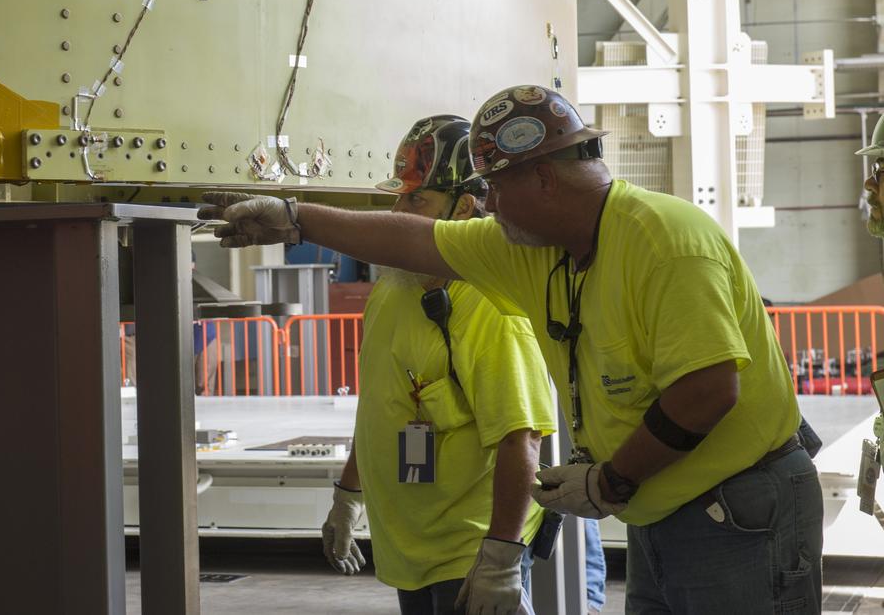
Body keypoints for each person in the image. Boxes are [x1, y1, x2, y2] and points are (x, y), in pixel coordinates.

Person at [202, 84, 822, 613]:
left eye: (495, 188)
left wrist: (609, 481)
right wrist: (294, 217)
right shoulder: (540, 251)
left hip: (739, 511)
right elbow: (416, 240)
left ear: (545, 179)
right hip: (663, 513)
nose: (487, 205)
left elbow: (708, 391)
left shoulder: (665, 240)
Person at [322, 116, 555, 615]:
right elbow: (381, 408)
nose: (397, 213)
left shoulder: (490, 306)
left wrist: (500, 558)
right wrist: (347, 494)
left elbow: (522, 439)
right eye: (398, 198)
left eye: (415, 200)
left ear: (463, 207)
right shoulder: (390, 289)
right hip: (409, 548)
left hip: (469, 552)